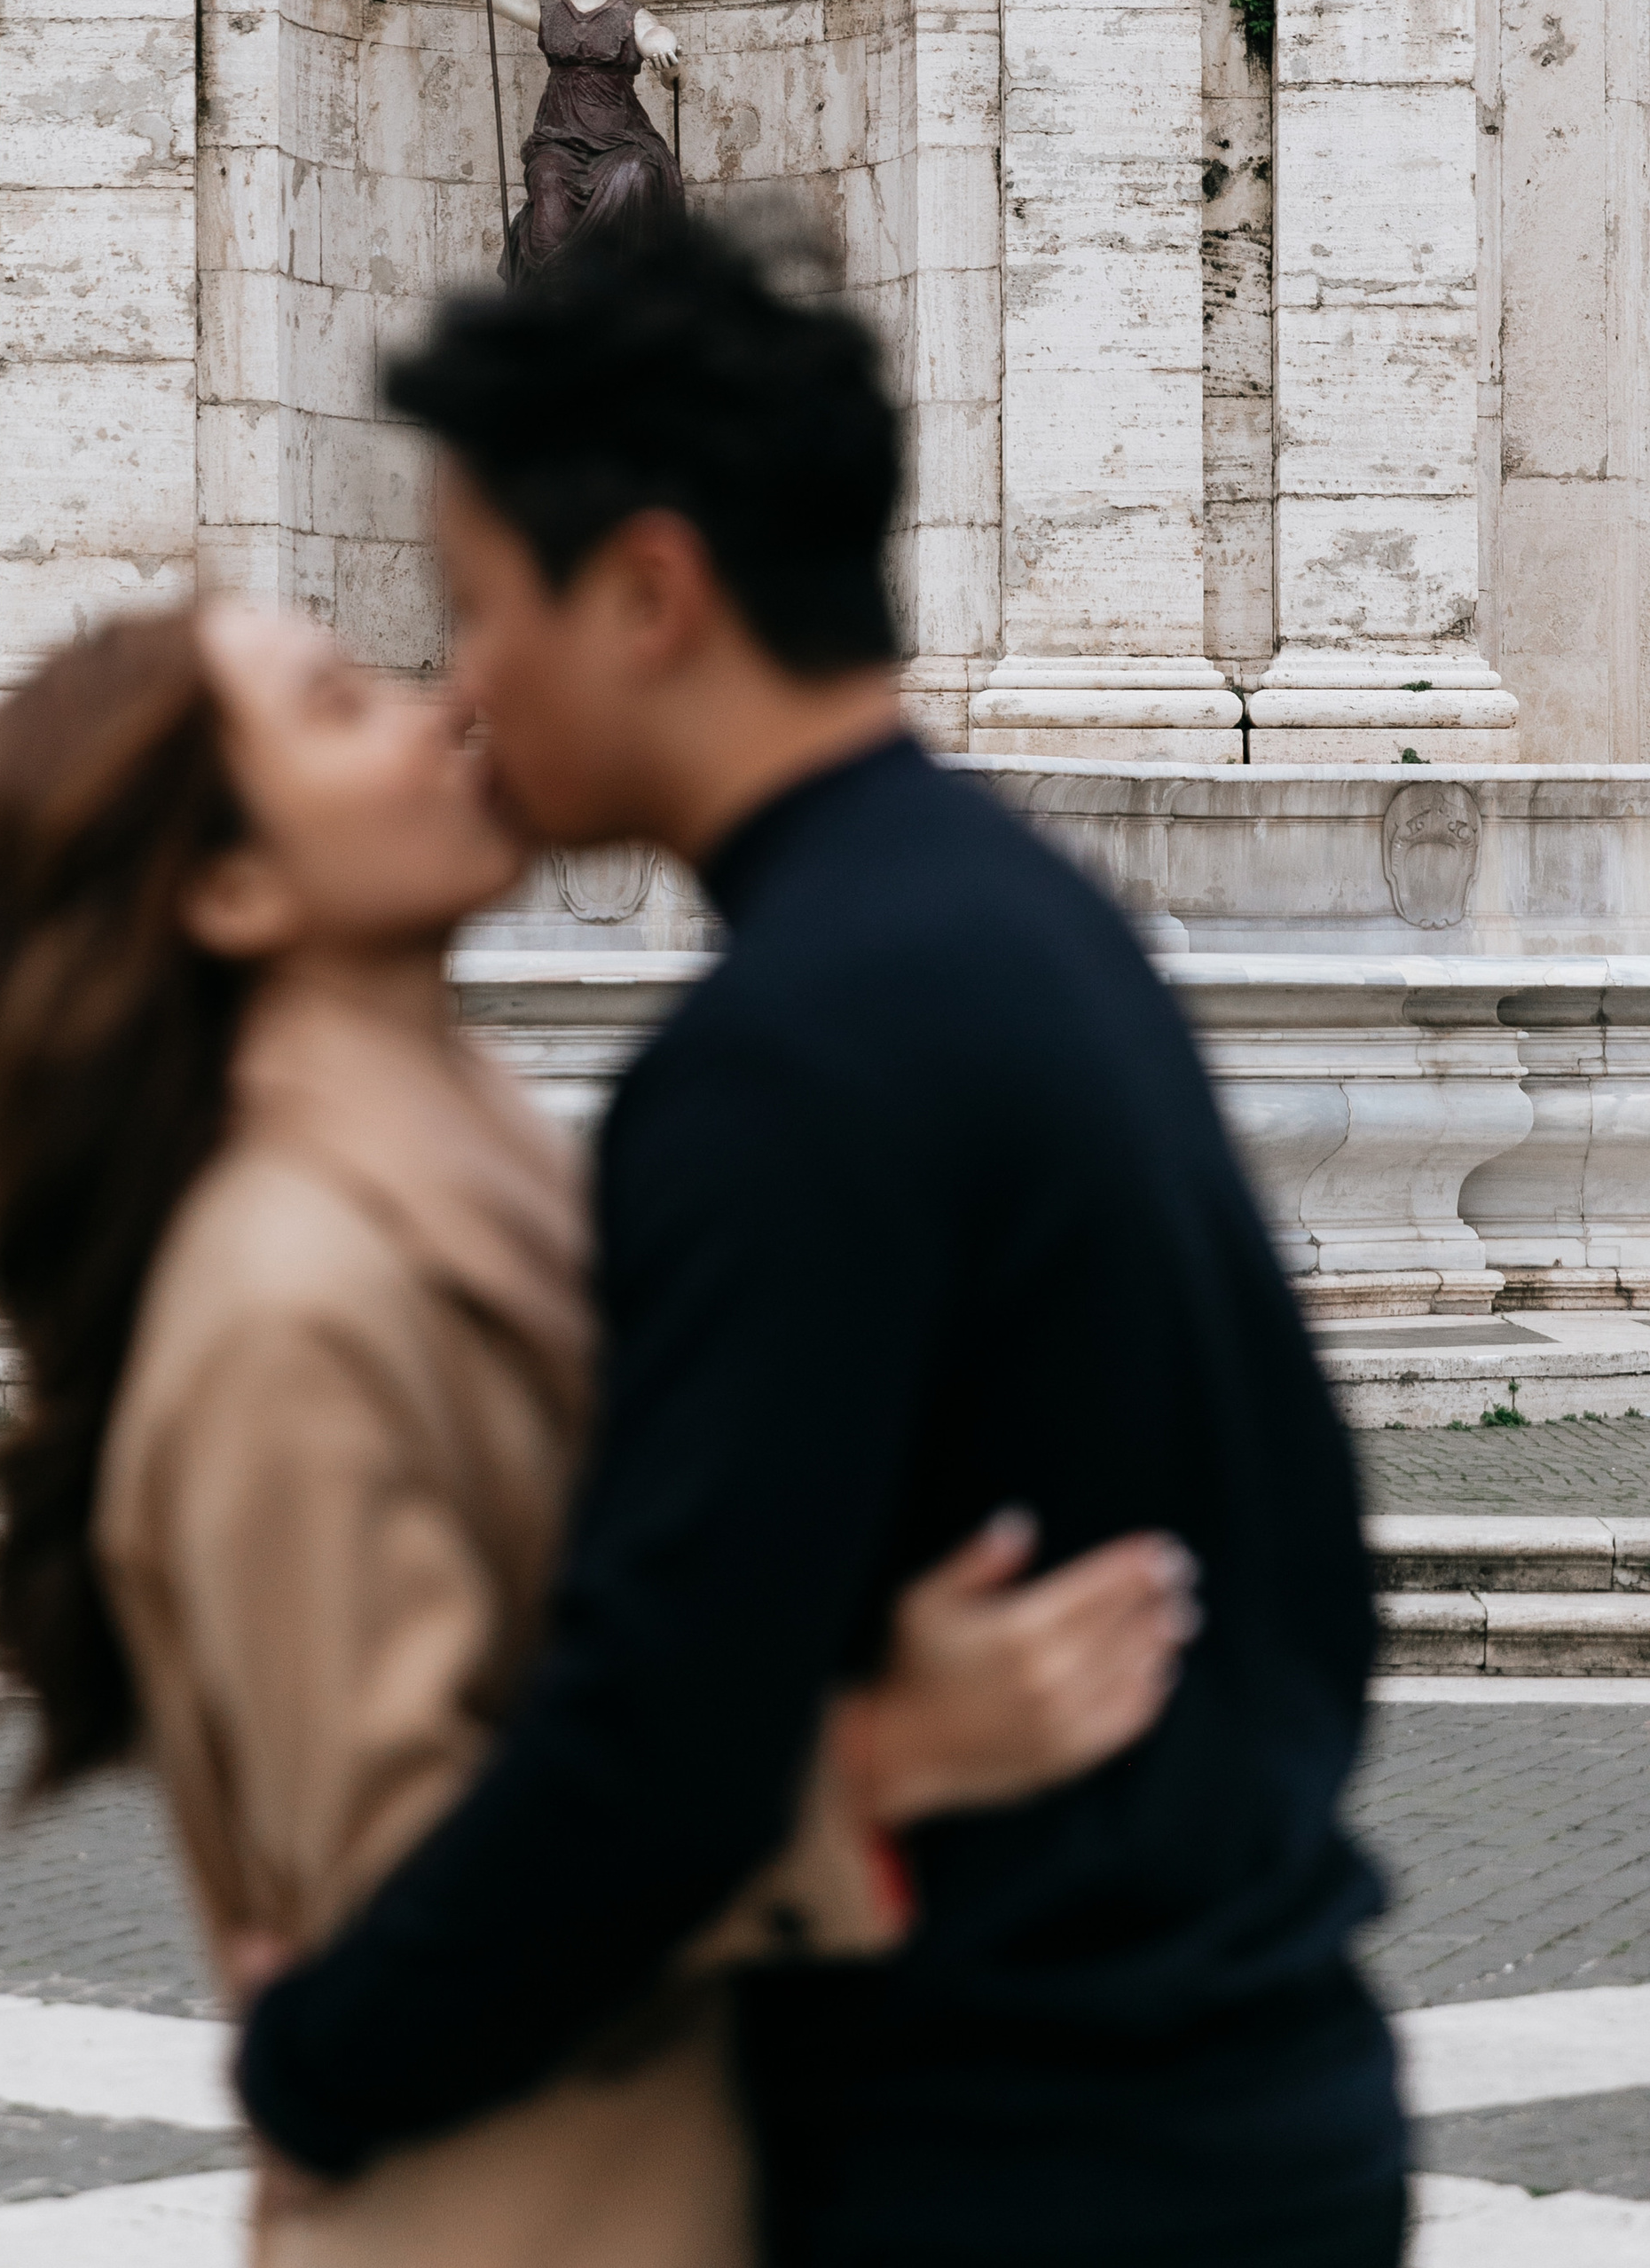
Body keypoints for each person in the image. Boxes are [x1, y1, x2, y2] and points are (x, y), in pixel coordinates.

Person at [235, 220, 1406, 2268]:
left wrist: (319, 2052)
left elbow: (654, 1742)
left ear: (649, 593)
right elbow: (1309, 1579)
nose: (462, 687)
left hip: (1027, 2149)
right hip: (1226, 2086)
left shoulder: (782, 1053)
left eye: (473, 608)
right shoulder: (1008, 914)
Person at [0, 597, 1198, 2268]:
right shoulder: (281, 1304)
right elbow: (425, 1904)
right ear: (231, 889)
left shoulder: (504, 1167)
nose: (438, 707)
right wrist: (894, 1749)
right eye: (338, 706)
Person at [453, 0, 682, 276]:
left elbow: (661, 50)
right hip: (559, 139)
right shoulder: (549, 10)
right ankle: (552, 302)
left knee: (635, 174)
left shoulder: (628, 14)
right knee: (547, 182)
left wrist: (664, 51)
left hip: (621, 139)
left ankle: (625, 293)